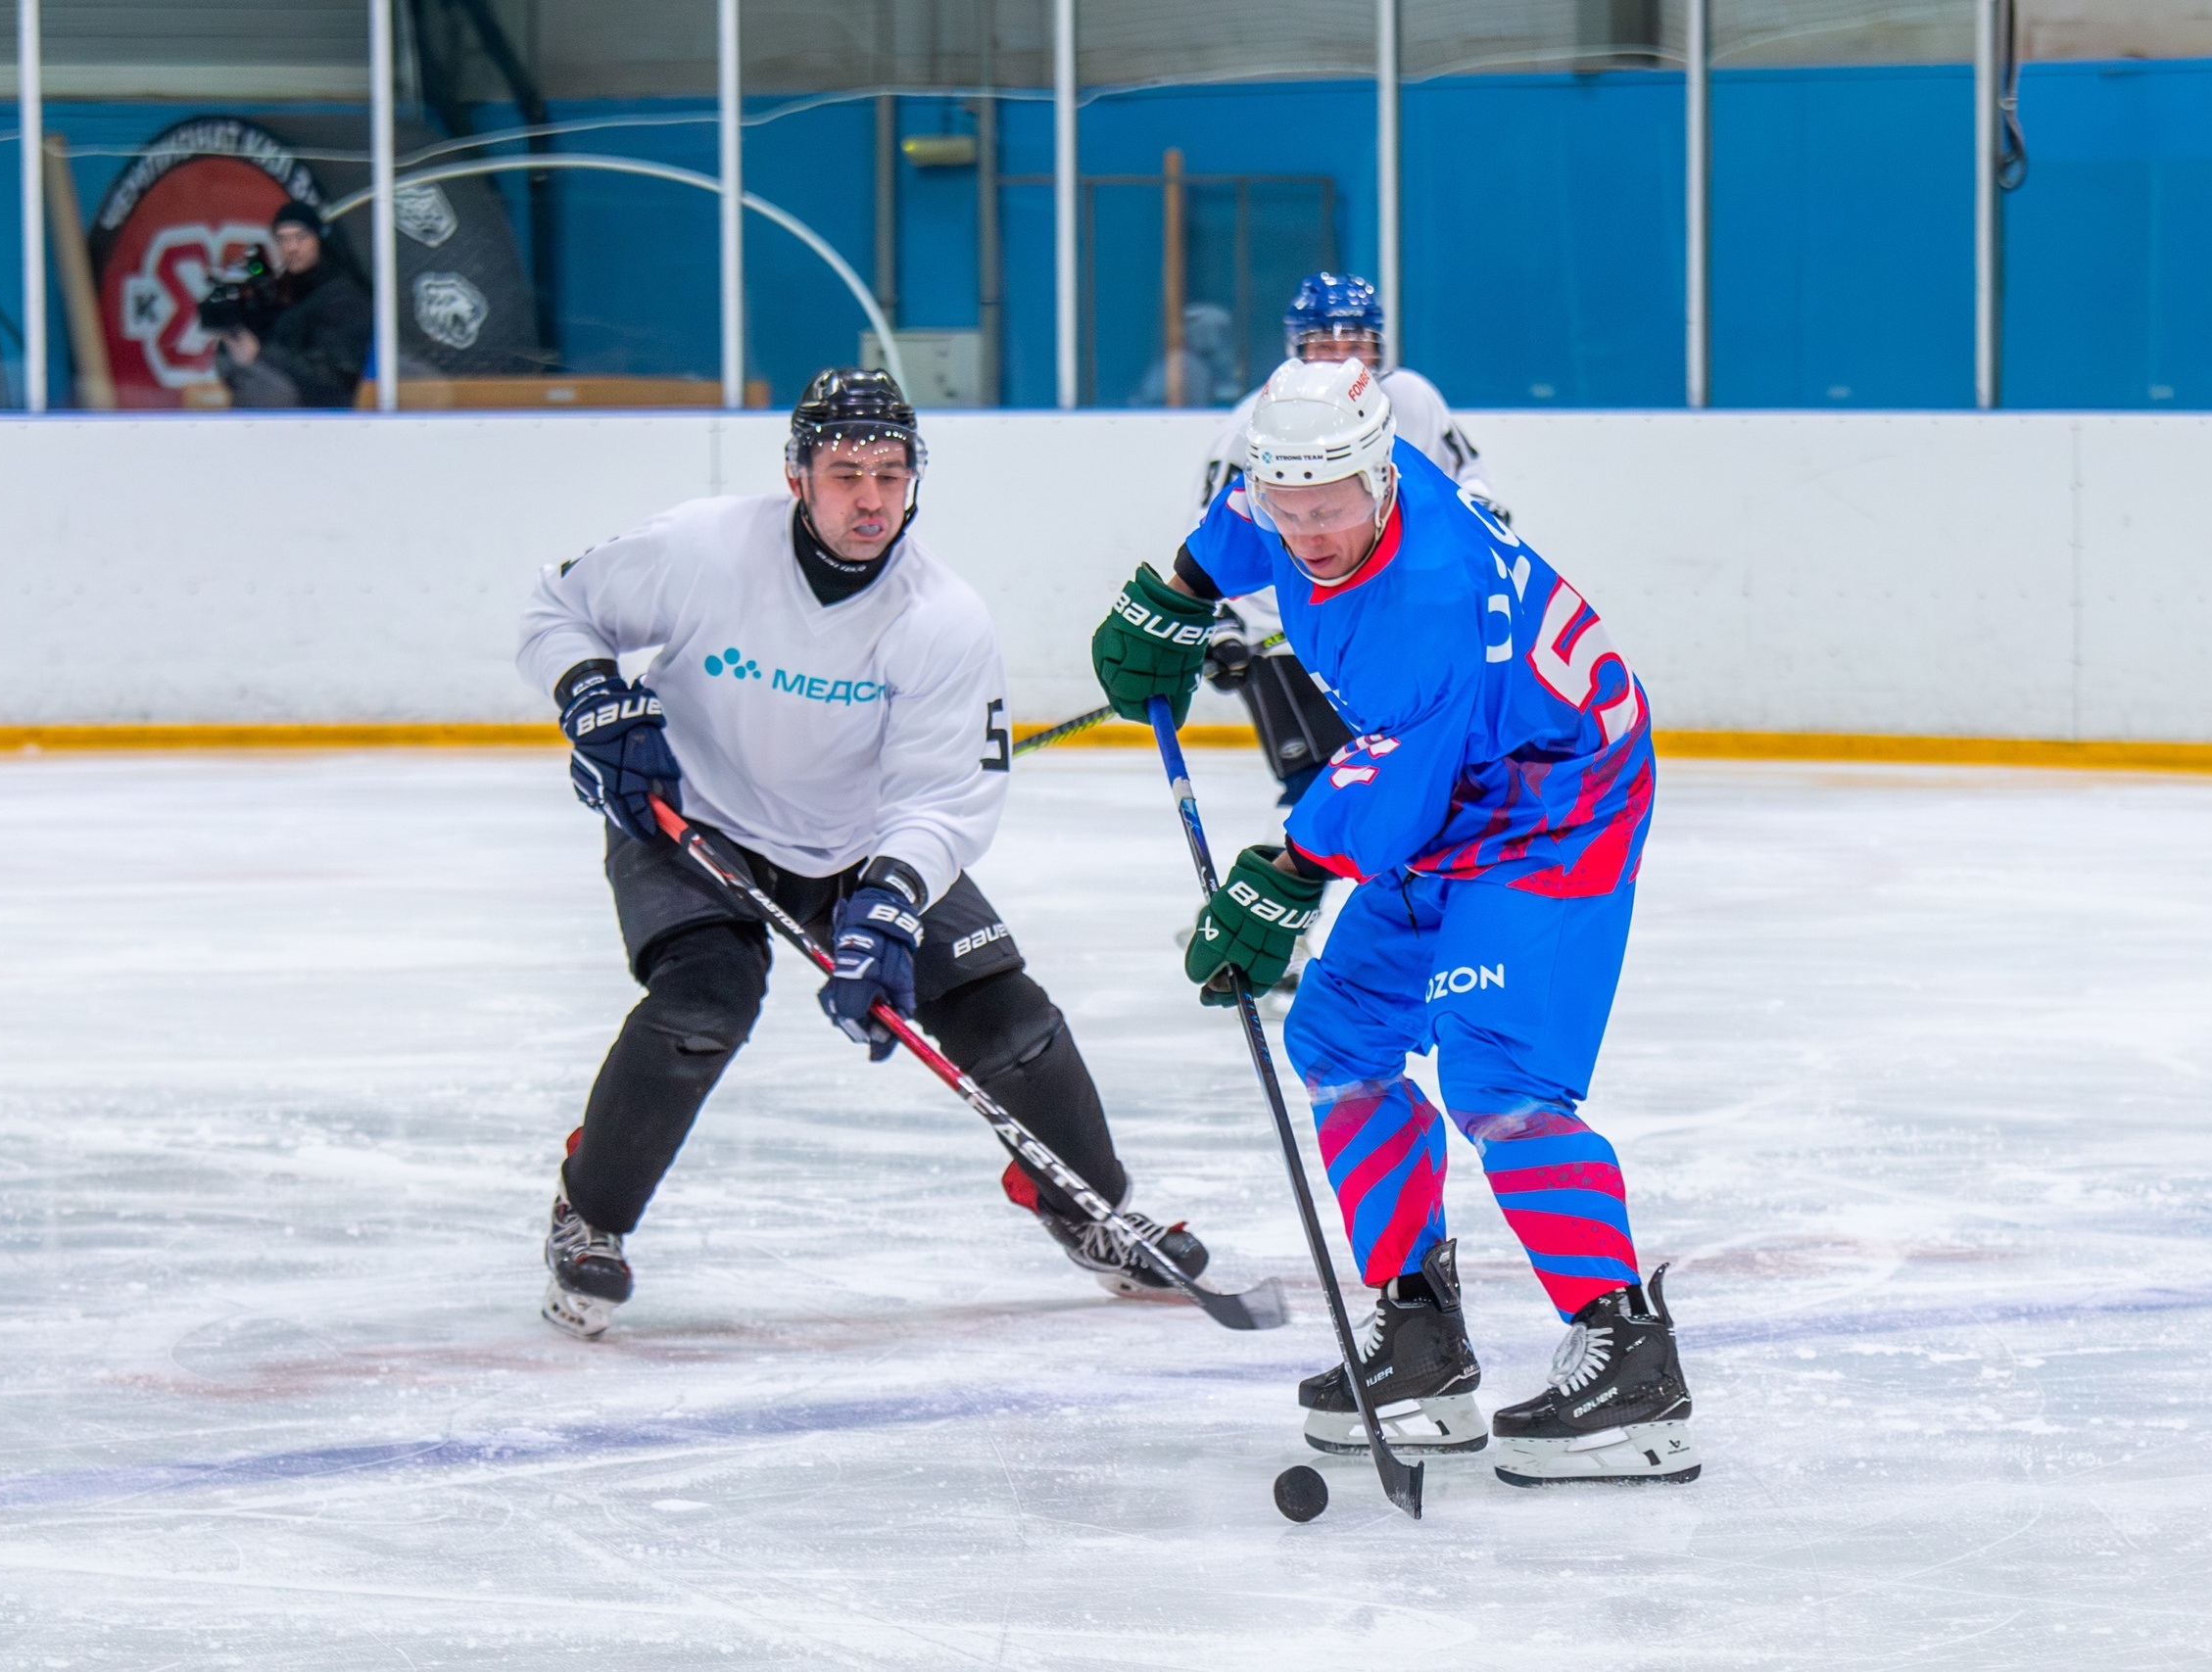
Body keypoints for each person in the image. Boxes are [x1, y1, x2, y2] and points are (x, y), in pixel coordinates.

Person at [1088, 358, 1699, 1488]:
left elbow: (1389, 793)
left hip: (1556, 802)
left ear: (1380, 478)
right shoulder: (1311, 478)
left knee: (1499, 1080)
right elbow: (1240, 525)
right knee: (1340, 1038)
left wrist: (1277, 879)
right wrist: (1173, 592)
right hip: (1466, 780)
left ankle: (1629, 1360)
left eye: (1329, 508)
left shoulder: (1424, 603)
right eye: (1290, 507)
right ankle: (1417, 1330)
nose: (1308, 533)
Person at [518, 367, 1211, 1338]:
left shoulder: (943, 618)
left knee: (1009, 1021)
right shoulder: (704, 548)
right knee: (703, 1004)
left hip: (855, 842)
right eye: (846, 474)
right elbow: (556, 609)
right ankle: (589, 1213)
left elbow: (944, 798)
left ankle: (1089, 1205)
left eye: (891, 474)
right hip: (693, 814)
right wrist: (591, 697)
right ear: (797, 475)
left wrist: (889, 898)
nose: (872, 499)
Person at [1194, 274, 1508, 810]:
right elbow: (1215, 525)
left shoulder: (1411, 398)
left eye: (1357, 342)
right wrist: (1219, 620)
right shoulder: (1260, 417)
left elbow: (1467, 481)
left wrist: (1480, 531)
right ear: (1296, 347)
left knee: (1399, 781)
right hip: (1282, 631)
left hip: (1386, 622)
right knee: (1314, 787)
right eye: (1324, 345)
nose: (1343, 358)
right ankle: (1287, 869)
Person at [215, 200, 370, 409]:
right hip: (275, 416)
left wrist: (260, 355)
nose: (292, 247)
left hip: (322, 421)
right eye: (282, 239)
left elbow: (333, 381)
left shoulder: (343, 296)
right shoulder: (282, 293)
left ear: (319, 239)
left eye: (301, 236)